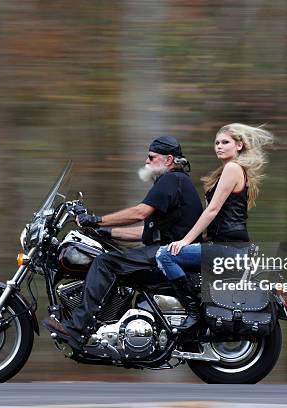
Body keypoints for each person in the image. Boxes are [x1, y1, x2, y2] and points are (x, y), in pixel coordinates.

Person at [43, 136, 203, 348]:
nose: (146, 162)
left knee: (104, 262)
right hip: (165, 251)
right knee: (109, 257)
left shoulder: (172, 180)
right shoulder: (174, 183)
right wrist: (103, 230)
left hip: (169, 254)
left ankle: (77, 328)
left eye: (151, 157)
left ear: (168, 160)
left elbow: (139, 213)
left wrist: (96, 219)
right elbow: (143, 232)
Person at [155, 123, 274, 331]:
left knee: (165, 255)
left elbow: (212, 210)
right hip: (229, 247)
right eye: (217, 143)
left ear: (239, 145)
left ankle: (193, 312)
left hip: (229, 249)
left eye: (225, 142)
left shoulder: (232, 168)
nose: (219, 146)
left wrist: (185, 241)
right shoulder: (233, 170)